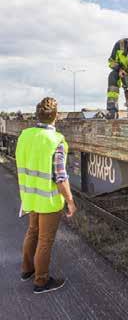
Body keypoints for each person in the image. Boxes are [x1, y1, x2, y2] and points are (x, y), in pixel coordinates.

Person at [16, 97, 77, 294]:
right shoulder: (55, 140)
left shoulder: (25, 135)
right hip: (48, 201)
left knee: (32, 232)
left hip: (30, 197)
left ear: (37, 115)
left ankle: (27, 270)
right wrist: (70, 201)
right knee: (45, 240)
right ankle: (41, 281)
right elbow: (60, 177)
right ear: (56, 116)